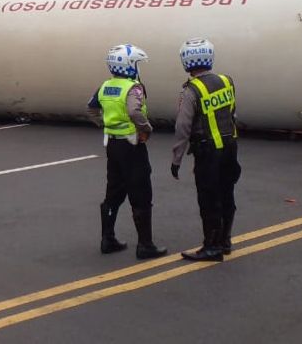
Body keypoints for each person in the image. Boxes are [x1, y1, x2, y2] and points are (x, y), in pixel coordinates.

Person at [87, 43, 167, 260]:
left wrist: (105, 124)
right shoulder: (133, 87)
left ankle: (108, 239)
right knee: (141, 193)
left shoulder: (105, 86)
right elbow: (134, 110)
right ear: (129, 65)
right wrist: (146, 128)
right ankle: (145, 244)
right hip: (132, 145)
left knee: (114, 191)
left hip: (113, 145)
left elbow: (92, 108)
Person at [171, 37, 241, 262]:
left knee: (209, 198)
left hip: (208, 151)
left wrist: (177, 159)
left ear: (186, 62)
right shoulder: (227, 80)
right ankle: (225, 241)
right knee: (227, 194)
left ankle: (211, 247)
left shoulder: (191, 90)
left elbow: (183, 126)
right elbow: (232, 112)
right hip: (230, 147)